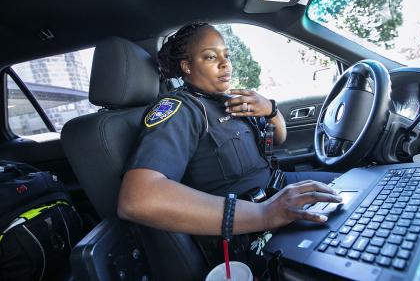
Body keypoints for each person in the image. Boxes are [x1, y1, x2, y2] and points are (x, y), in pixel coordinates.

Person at [117, 22, 342, 276]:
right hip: (250, 226)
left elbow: (279, 138)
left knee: (350, 188)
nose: (225, 64)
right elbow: (136, 199)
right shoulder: (180, 110)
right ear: (187, 66)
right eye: (211, 56)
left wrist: (271, 109)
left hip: (277, 189)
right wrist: (265, 213)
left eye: (226, 55)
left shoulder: (230, 100)